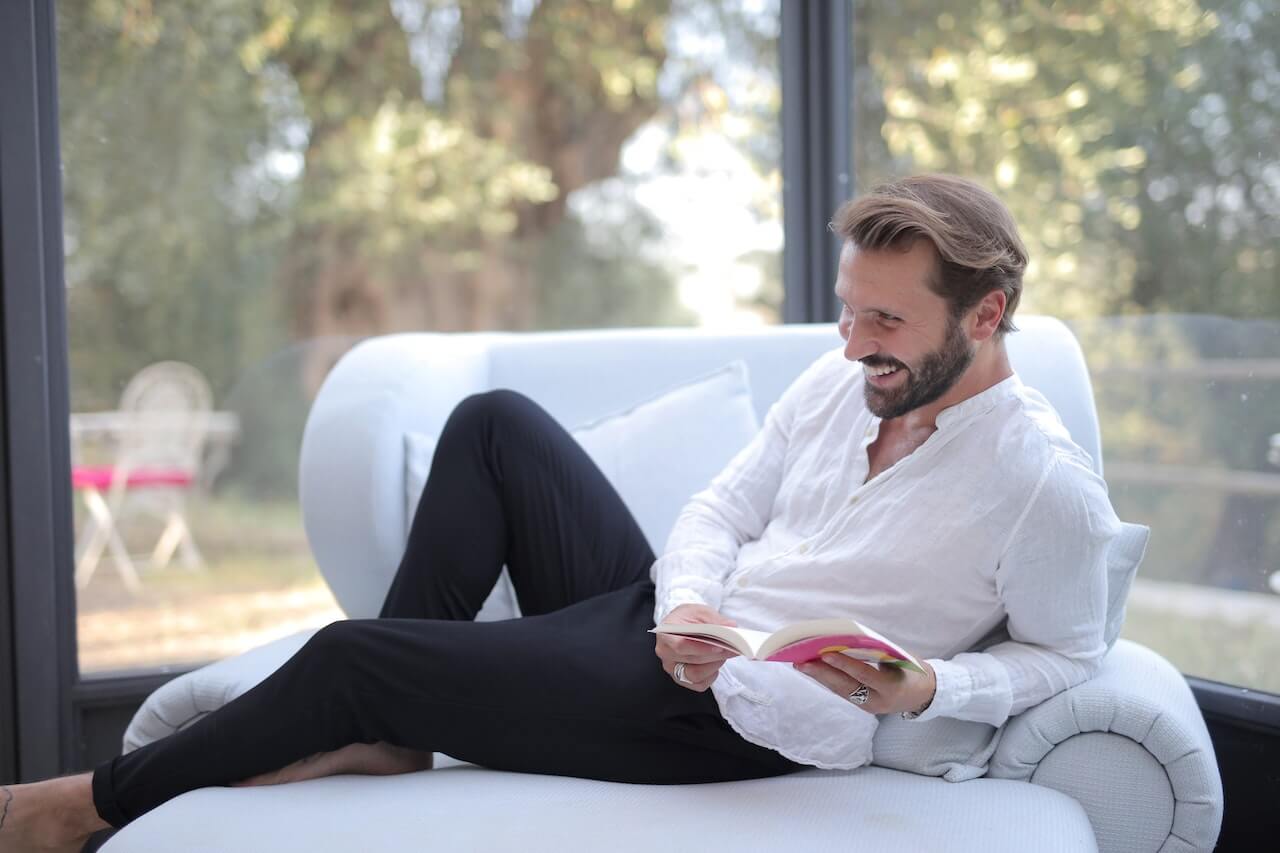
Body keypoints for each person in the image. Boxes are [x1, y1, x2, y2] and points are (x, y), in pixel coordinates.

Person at [0, 174, 1120, 852]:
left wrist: (936, 686)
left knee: (350, 654)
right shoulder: (841, 382)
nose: (849, 344)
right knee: (495, 424)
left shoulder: (1041, 483)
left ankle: (82, 807)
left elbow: (1067, 651)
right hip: (675, 628)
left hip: (730, 719)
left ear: (986, 314)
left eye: (883, 322)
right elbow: (723, 506)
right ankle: (391, 736)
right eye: (847, 311)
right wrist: (682, 602)